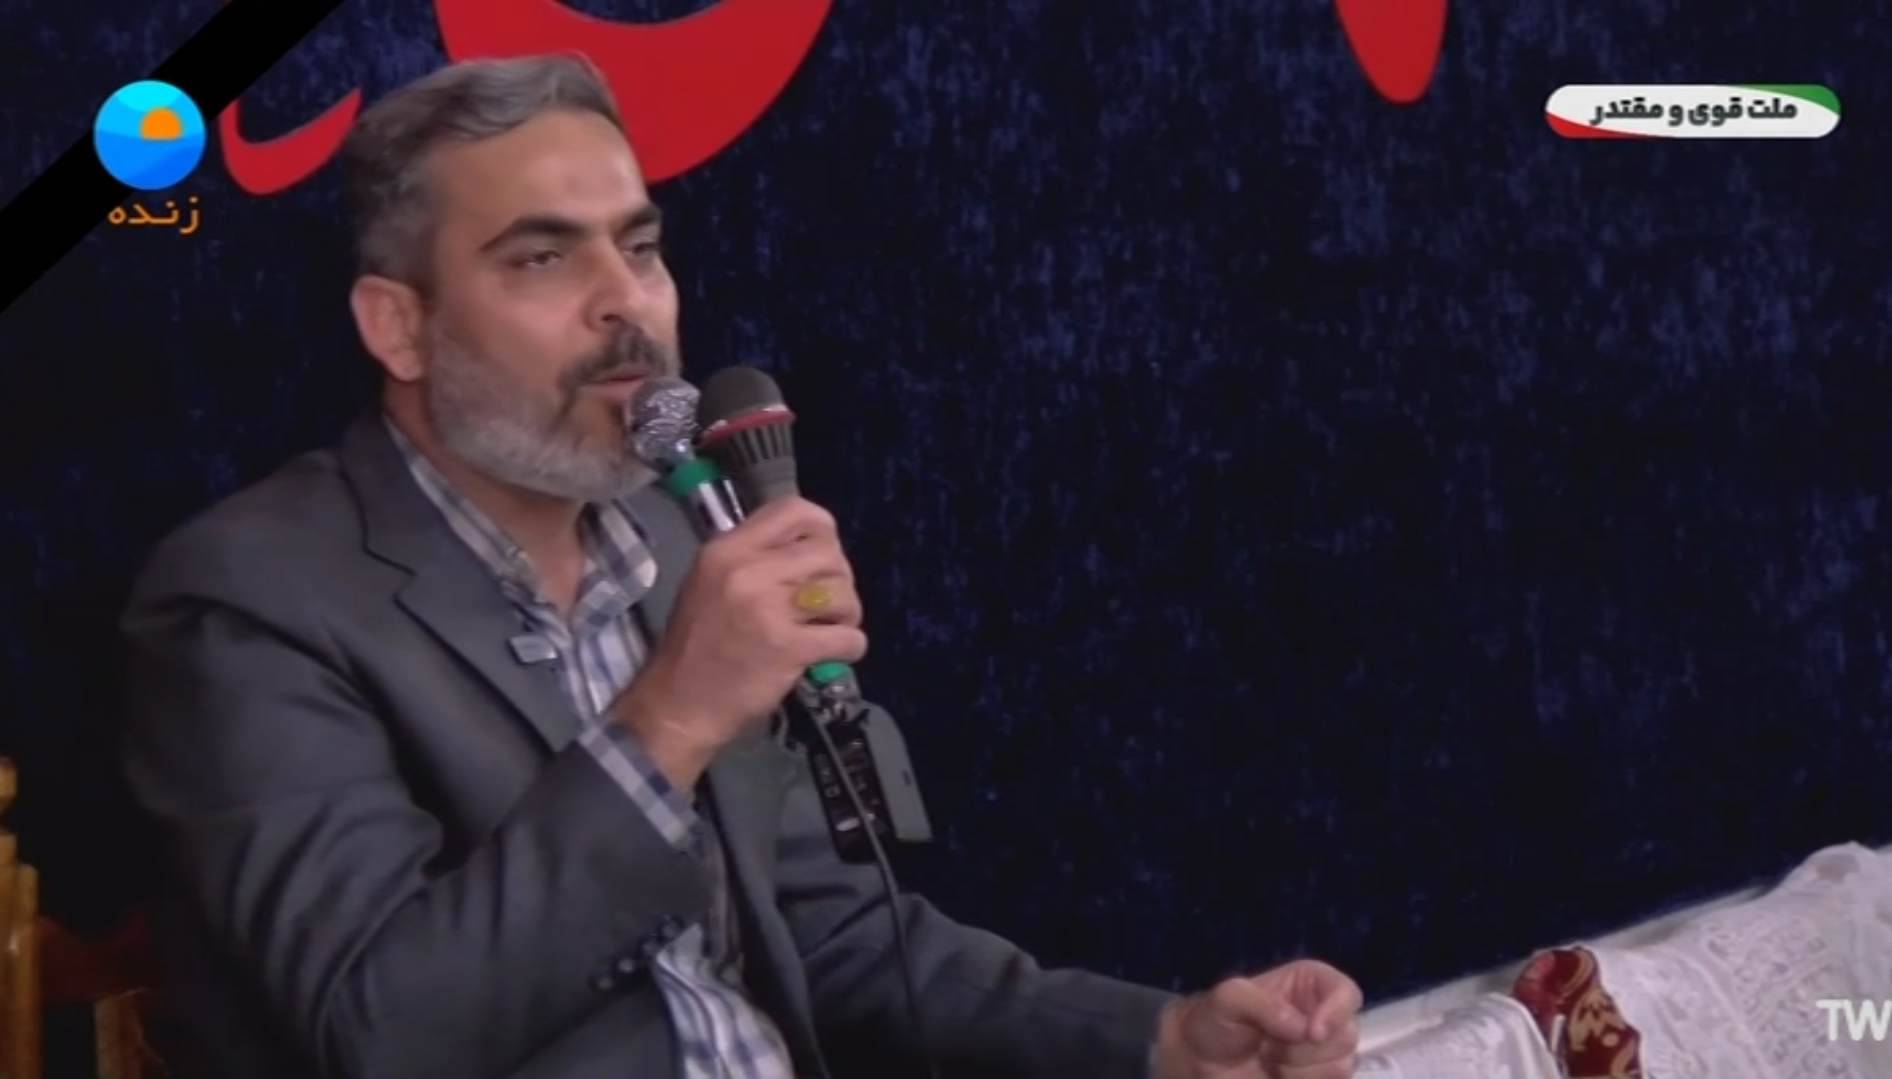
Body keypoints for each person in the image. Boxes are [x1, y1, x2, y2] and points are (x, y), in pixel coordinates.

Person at [118, 53, 1362, 1079]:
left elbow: (830, 933)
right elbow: (376, 1031)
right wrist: (670, 716)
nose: (626, 303)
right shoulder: (248, 599)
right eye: (543, 257)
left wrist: (1157, 1036)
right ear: (398, 325)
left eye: (640, 246)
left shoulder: (677, 541)